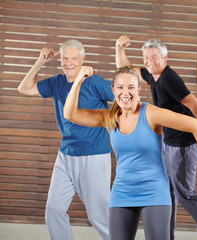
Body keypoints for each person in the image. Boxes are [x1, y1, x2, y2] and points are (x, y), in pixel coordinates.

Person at [63, 66, 197, 240]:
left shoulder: (150, 114)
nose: (125, 92)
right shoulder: (108, 118)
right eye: (120, 87)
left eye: (131, 87)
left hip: (154, 191)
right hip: (122, 191)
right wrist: (79, 79)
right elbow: (70, 114)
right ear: (113, 90)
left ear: (138, 90)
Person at [115, 36, 197, 240]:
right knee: (165, 194)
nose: (149, 61)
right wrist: (119, 49)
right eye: (146, 57)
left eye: (154, 57)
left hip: (185, 145)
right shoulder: (153, 75)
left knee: (185, 195)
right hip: (168, 144)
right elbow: (127, 69)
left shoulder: (169, 79)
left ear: (164, 57)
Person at [17, 40, 114, 240]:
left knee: (99, 216)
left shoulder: (94, 82)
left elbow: (124, 96)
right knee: (53, 210)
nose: (68, 62)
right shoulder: (57, 82)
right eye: (65, 58)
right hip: (65, 156)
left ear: (83, 59)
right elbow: (24, 89)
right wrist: (39, 62)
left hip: (93, 156)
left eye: (74, 58)